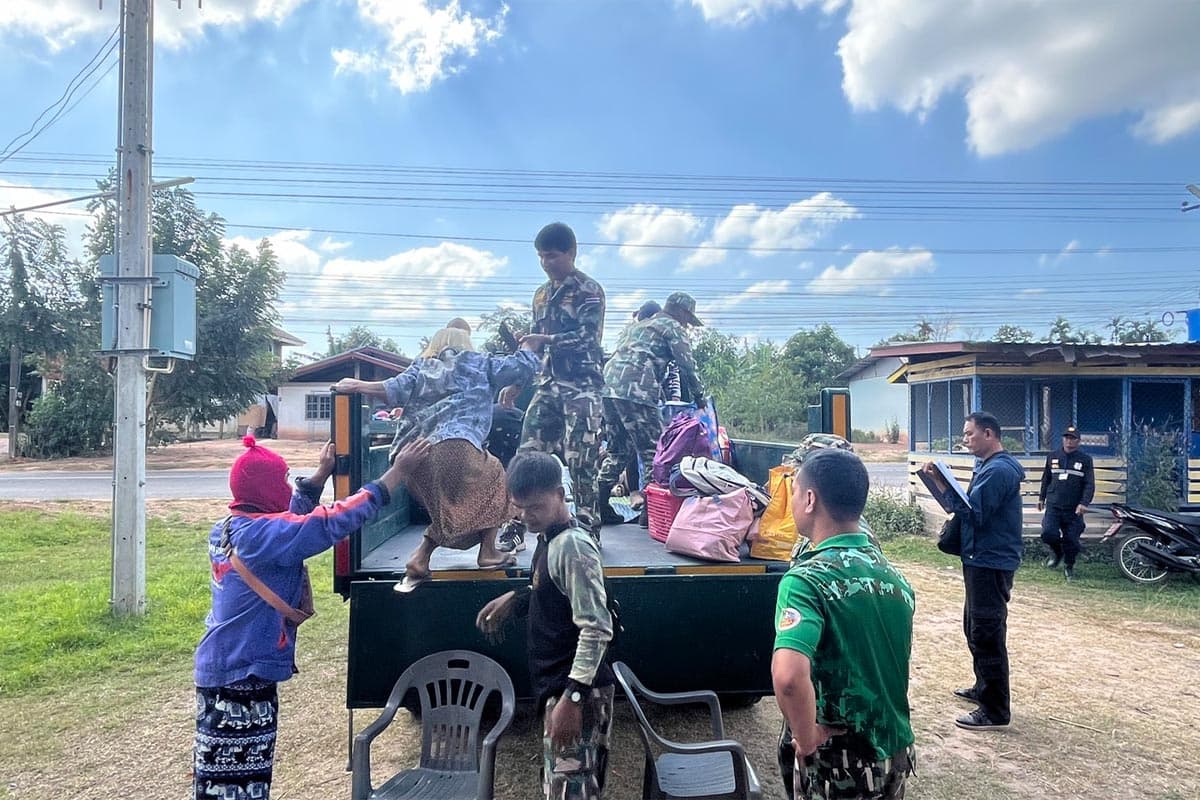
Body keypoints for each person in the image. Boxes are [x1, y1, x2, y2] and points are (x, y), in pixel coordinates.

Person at [193, 435, 426, 800]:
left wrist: (319, 476)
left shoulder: (230, 527)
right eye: (282, 481)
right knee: (235, 786)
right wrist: (395, 476)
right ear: (264, 488)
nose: (287, 487)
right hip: (242, 675)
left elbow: (288, 518)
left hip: (228, 667)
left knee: (230, 776)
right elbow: (326, 524)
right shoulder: (261, 537)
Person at [332, 324, 540, 588]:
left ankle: (421, 557)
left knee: (448, 505)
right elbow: (521, 367)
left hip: (411, 457)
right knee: (498, 476)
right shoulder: (478, 363)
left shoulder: (422, 367)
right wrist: (528, 346)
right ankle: (487, 552)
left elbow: (390, 389)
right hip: (455, 445)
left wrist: (357, 384)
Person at [772, 449, 916, 799]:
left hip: (842, 763)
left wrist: (806, 740)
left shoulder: (806, 580)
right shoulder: (894, 578)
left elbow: (789, 678)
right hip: (894, 751)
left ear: (809, 499)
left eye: (793, 492)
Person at [476, 451, 615, 799]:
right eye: (518, 508)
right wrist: (518, 598)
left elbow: (597, 627)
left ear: (560, 495)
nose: (525, 517)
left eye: (534, 507)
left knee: (571, 790)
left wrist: (573, 697)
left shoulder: (573, 546)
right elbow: (556, 589)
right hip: (559, 685)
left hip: (576, 689)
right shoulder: (550, 538)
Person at [498, 222, 607, 549]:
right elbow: (534, 347)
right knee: (527, 457)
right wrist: (518, 383)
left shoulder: (590, 290)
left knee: (582, 459)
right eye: (541, 257)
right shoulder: (541, 294)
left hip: (582, 386)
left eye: (553, 256)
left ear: (571, 253)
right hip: (547, 386)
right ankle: (515, 525)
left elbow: (589, 339)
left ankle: (587, 530)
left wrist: (547, 339)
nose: (547, 263)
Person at [922, 411, 1024, 730]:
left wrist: (942, 482)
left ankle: (994, 710)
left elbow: (974, 513)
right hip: (978, 557)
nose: (965, 439)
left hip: (991, 560)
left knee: (987, 631)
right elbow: (965, 509)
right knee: (974, 626)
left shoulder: (999, 471)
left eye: (970, 434)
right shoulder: (988, 467)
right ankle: (984, 688)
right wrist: (939, 482)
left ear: (989, 434)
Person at [596, 292, 707, 525]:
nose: (687, 324)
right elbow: (687, 365)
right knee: (655, 452)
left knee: (617, 451)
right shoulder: (672, 326)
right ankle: (650, 514)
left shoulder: (640, 326)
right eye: (687, 319)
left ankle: (599, 506)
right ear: (680, 312)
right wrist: (699, 396)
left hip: (608, 389)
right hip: (637, 390)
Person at [1038, 425, 1094, 580]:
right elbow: (1046, 479)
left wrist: (1084, 503)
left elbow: (1089, 484)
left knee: (1072, 540)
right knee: (1048, 534)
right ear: (1063, 439)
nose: (1069, 442)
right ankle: (1057, 553)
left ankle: (1069, 566)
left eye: (1073, 438)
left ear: (1079, 441)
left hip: (1074, 508)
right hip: (1054, 505)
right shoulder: (1052, 456)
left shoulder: (1085, 460)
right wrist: (1041, 498)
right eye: (1067, 438)